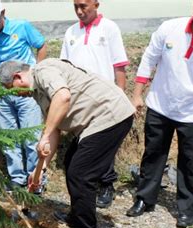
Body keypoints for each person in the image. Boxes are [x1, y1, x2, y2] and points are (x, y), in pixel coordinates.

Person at [0, 59, 134, 228]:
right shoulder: (37, 92)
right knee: (71, 163)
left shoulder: (44, 71)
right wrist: (39, 170)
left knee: (81, 174)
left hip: (111, 116)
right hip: (92, 123)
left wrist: (45, 134)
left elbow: (63, 96)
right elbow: (55, 130)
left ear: (18, 77)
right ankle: (78, 215)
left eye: (12, 89)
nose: (15, 94)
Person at [126, 0, 193, 228]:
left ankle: (188, 209)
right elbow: (149, 59)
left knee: (192, 162)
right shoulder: (170, 29)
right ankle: (144, 199)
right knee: (153, 154)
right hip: (161, 104)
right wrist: (137, 94)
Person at [60, 0, 129, 209]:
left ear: (96, 4)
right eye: (76, 7)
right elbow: (64, 66)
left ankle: (107, 184)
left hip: (105, 100)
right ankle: (87, 189)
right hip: (80, 102)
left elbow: (119, 66)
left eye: (84, 6)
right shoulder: (71, 32)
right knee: (84, 145)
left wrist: (121, 96)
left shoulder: (109, 28)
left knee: (103, 145)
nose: (80, 11)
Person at [0, 0, 48, 192]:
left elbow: (41, 46)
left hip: (26, 93)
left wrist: (36, 72)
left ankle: (36, 178)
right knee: (8, 137)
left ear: (3, 13)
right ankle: (17, 177)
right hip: (3, 93)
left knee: (31, 136)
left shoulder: (21, 26)